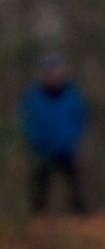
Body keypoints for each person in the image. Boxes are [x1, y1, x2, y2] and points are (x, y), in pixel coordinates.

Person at [21, 54, 90, 215]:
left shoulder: (73, 95)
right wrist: (34, 138)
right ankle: (36, 219)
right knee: (39, 187)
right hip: (42, 149)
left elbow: (82, 118)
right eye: (50, 72)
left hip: (65, 149)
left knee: (74, 185)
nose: (54, 76)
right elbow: (25, 118)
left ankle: (82, 218)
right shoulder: (33, 96)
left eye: (57, 71)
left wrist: (71, 137)